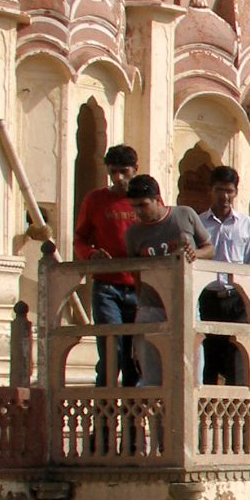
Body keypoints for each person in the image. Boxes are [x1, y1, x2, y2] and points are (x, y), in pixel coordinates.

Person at [122, 174, 211, 387]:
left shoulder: (184, 216)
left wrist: (195, 254)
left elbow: (210, 248)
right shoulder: (134, 233)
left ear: (158, 200)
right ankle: (157, 421)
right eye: (134, 207)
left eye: (143, 205)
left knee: (191, 375)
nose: (139, 212)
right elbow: (135, 272)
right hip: (151, 307)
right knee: (152, 377)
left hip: (186, 303)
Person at [72, 144, 141, 387]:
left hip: (139, 287)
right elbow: (80, 238)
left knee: (135, 357)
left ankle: (132, 423)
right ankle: (105, 420)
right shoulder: (96, 200)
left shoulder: (144, 198)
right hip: (107, 287)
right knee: (112, 352)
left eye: (124, 171)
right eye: (113, 172)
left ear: (135, 170)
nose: (118, 178)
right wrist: (91, 255)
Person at [196, 165, 250, 385]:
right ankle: (208, 414)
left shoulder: (246, 224)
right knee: (210, 355)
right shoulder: (199, 222)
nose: (224, 196)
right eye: (219, 190)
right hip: (209, 296)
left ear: (235, 192)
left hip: (236, 297)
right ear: (210, 191)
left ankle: (235, 414)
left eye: (229, 191)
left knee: (236, 355)